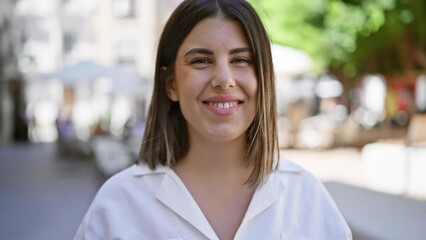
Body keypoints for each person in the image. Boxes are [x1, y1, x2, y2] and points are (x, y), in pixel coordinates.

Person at [74, 0, 352, 239]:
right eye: (200, 61)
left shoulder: (307, 197)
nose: (223, 79)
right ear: (170, 84)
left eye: (241, 60)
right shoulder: (118, 204)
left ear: (263, 77)